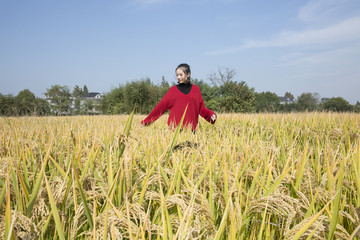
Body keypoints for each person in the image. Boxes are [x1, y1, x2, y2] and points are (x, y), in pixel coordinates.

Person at [141, 63, 217, 131]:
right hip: (174, 131)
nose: (178, 77)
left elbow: (201, 108)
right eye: (177, 75)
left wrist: (211, 115)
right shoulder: (172, 91)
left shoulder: (196, 90)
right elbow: (160, 107)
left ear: (188, 74)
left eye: (181, 75)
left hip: (192, 131)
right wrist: (146, 122)